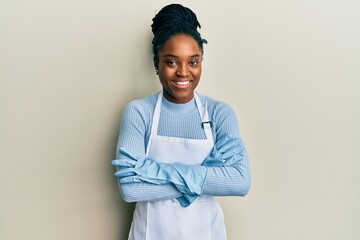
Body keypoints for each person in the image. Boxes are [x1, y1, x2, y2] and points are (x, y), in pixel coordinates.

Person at [112, 3, 251, 240]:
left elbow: (239, 181)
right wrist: (207, 177)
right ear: (156, 64)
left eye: (193, 62)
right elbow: (131, 189)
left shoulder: (219, 114)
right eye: (172, 62)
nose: (184, 72)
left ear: (201, 63)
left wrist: (153, 171)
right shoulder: (139, 112)